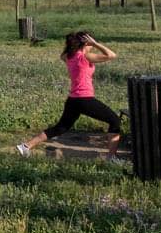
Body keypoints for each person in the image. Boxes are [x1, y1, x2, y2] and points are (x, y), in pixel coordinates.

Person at [15, 31, 124, 159]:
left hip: (73, 100)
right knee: (114, 120)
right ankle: (111, 158)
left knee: (61, 128)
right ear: (86, 43)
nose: (92, 46)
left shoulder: (68, 57)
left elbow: (63, 55)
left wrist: (76, 45)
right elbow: (112, 55)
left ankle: (26, 146)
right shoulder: (85, 57)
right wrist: (96, 44)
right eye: (90, 43)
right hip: (85, 99)